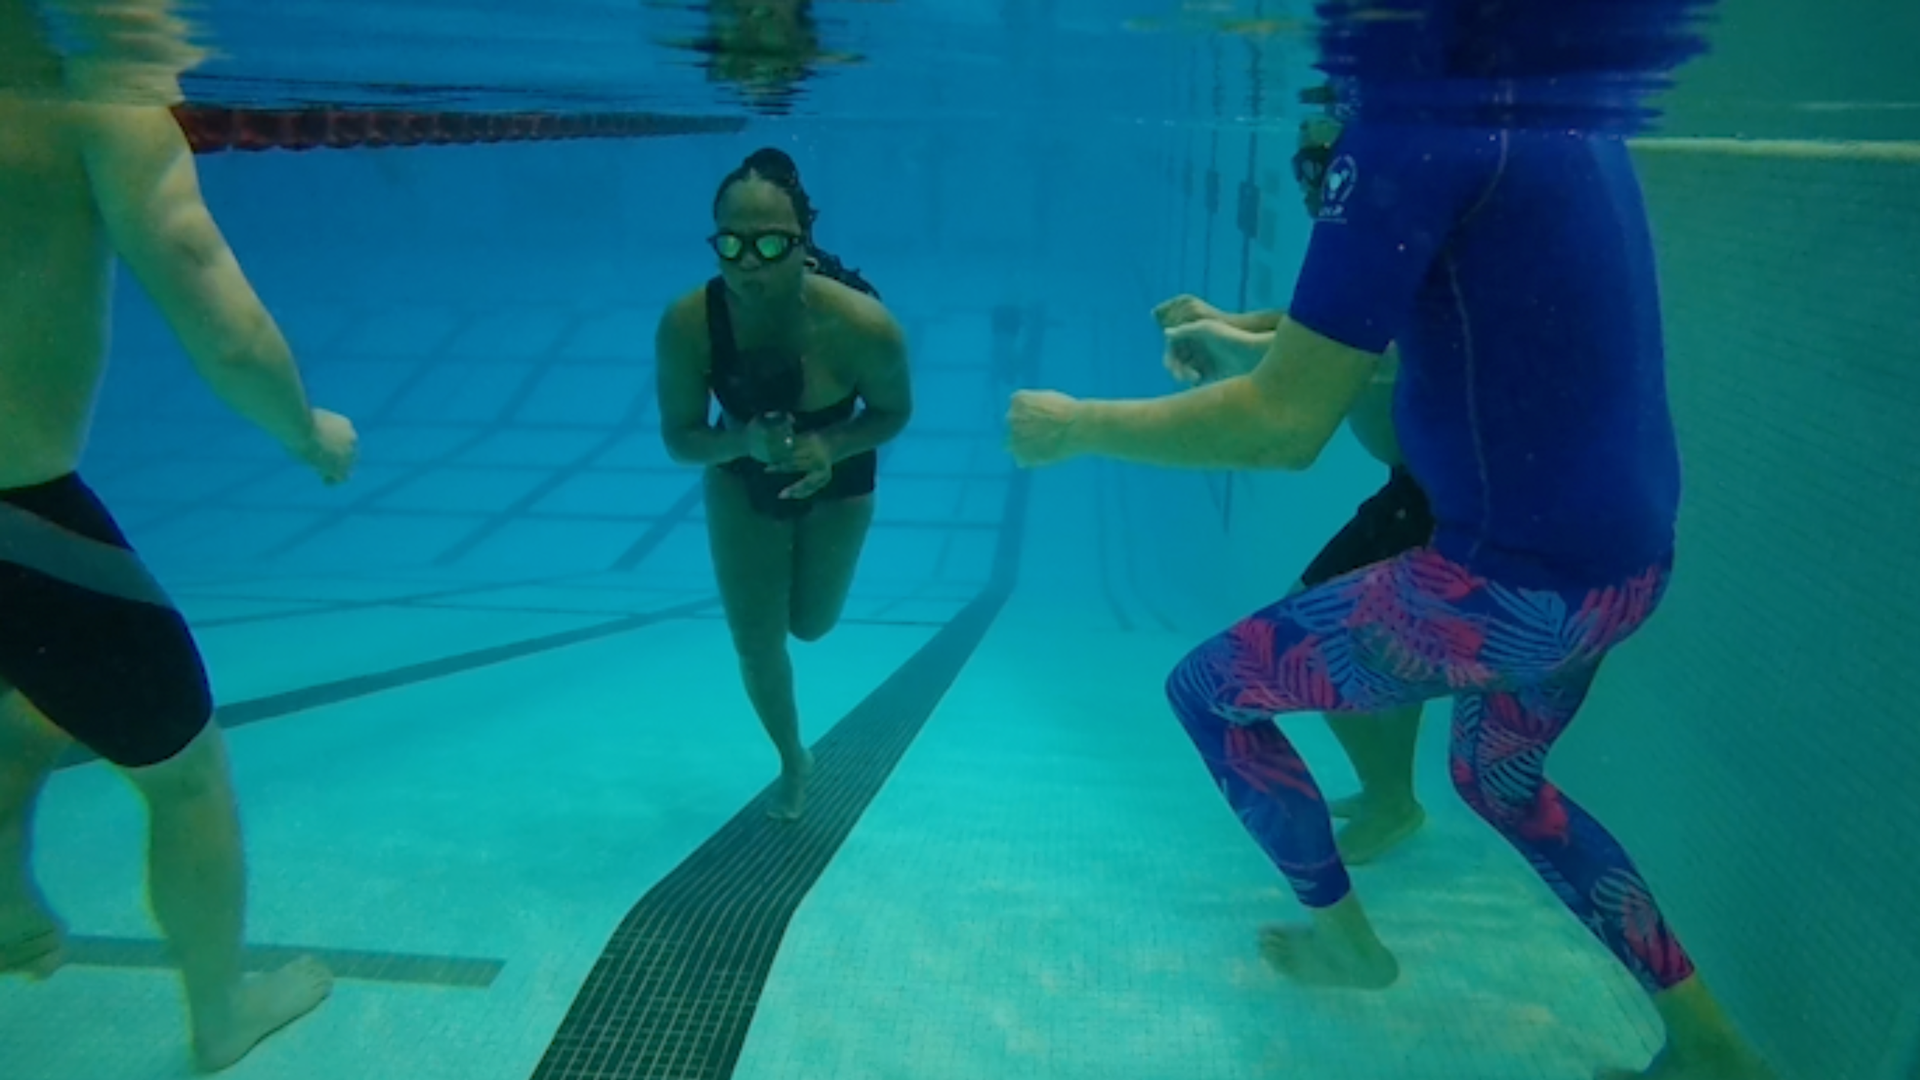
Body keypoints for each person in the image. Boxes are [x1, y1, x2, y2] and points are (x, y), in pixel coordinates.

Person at [1006, 113, 1774, 1080]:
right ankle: (1710, 1044)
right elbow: (1381, 326)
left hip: (1507, 585)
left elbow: (1280, 428)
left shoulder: (1410, 132)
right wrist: (1242, 335)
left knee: (1209, 693)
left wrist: (1078, 425)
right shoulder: (1554, 115)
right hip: (1622, 570)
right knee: (1500, 781)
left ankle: (1346, 944)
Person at [1, 0, 357, 1072]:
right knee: (185, 774)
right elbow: (215, 312)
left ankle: (5, 900)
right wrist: (306, 431)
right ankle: (220, 1015)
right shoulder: (93, 97)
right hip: (15, 518)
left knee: (28, 697)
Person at [1144, 113, 1433, 867]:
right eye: (1301, 166)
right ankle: (1392, 795)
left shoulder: (1405, 232)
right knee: (1376, 642)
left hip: (1441, 495)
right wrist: (1231, 321)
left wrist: (1230, 344)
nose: (1309, 185)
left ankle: (1393, 802)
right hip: (1416, 486)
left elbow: (1378, 354)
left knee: (1314, 633)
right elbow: (1317, 323)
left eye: (1321, 164)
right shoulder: (1374, 235)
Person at [654, 147, 912, 821]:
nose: (748, 264)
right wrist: (741, 442)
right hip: (741, 469)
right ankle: (793, 758)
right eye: (730, 244)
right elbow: (680, 438)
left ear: (803, 241)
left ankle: (796, 739)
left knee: (812, 624)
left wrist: (831, 445)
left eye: (770, 244)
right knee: (757, 638)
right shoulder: (689, 324)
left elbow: (893, 412)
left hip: (840, 469)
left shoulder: (861, 325)